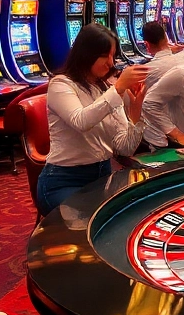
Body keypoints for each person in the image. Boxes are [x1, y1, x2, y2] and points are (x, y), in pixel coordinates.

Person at [37, 24, 148, 214]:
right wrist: (119, 88)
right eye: (105, 55)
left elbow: (124, 147)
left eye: (113, 56)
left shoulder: (105, 89)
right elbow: (81, 122)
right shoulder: (61, 84)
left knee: (133, 211)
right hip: (63, 180)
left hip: (102, 178)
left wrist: (136, 111)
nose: (111, 63)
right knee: (92, 219)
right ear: (86, 53)